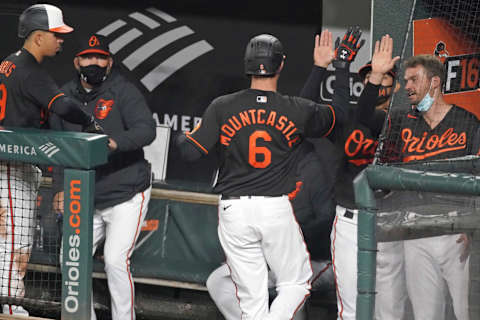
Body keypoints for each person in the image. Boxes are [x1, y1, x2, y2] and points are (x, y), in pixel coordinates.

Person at [177, 32, 348, 319]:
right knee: (296, 283)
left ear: (246, 65)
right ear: (280, 65)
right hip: (273, 208)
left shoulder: (222, 106)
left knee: (251, 300)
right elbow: (339, 115)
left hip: (233, 210)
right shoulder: (294, 108)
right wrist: (338, 67)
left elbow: (190, 153)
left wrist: (185, 137)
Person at [0, 4, 103, 316]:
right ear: (38, 36)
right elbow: (63, 107)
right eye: (56, 35)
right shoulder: (30, 72)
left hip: (11, 162)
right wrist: (90, 122)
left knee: (7, 240)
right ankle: (9, 306)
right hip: (11, 167)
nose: (61, 41)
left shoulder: (7, 63)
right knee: (14, 242)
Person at [359, 54, 477, 320]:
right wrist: (376, 76)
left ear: (434, 82)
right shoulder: (401, 121)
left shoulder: (468, 124)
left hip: (456, 233)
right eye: (405, 80)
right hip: (415, 232)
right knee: (425, 315)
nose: (408, 86)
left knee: (466, 313)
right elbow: (364, 116)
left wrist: (473, 227)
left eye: (414, 79)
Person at [50, 33, 156, 320]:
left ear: (110, 63)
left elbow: (147, 130)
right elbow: (59, 148)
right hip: (86, 194)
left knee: (115, 261)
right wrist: (60, 188)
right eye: (88, 57)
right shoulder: (64, 97)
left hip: (126, 192)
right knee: (69, 260)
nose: (94, 62)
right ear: (77, 61)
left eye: (100, 57)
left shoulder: (123, 91)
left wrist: (113, 142)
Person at [301, 30, 405, 319]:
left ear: (395, 87)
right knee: (350, 310)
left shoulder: (402, 124)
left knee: (391, 310)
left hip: (390, 220)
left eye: (385, 77)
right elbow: (303, 112)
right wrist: (334, 67)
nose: (378, 80)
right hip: (350, 221)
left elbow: (366, 117)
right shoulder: (346, 121)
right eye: (372, 77)